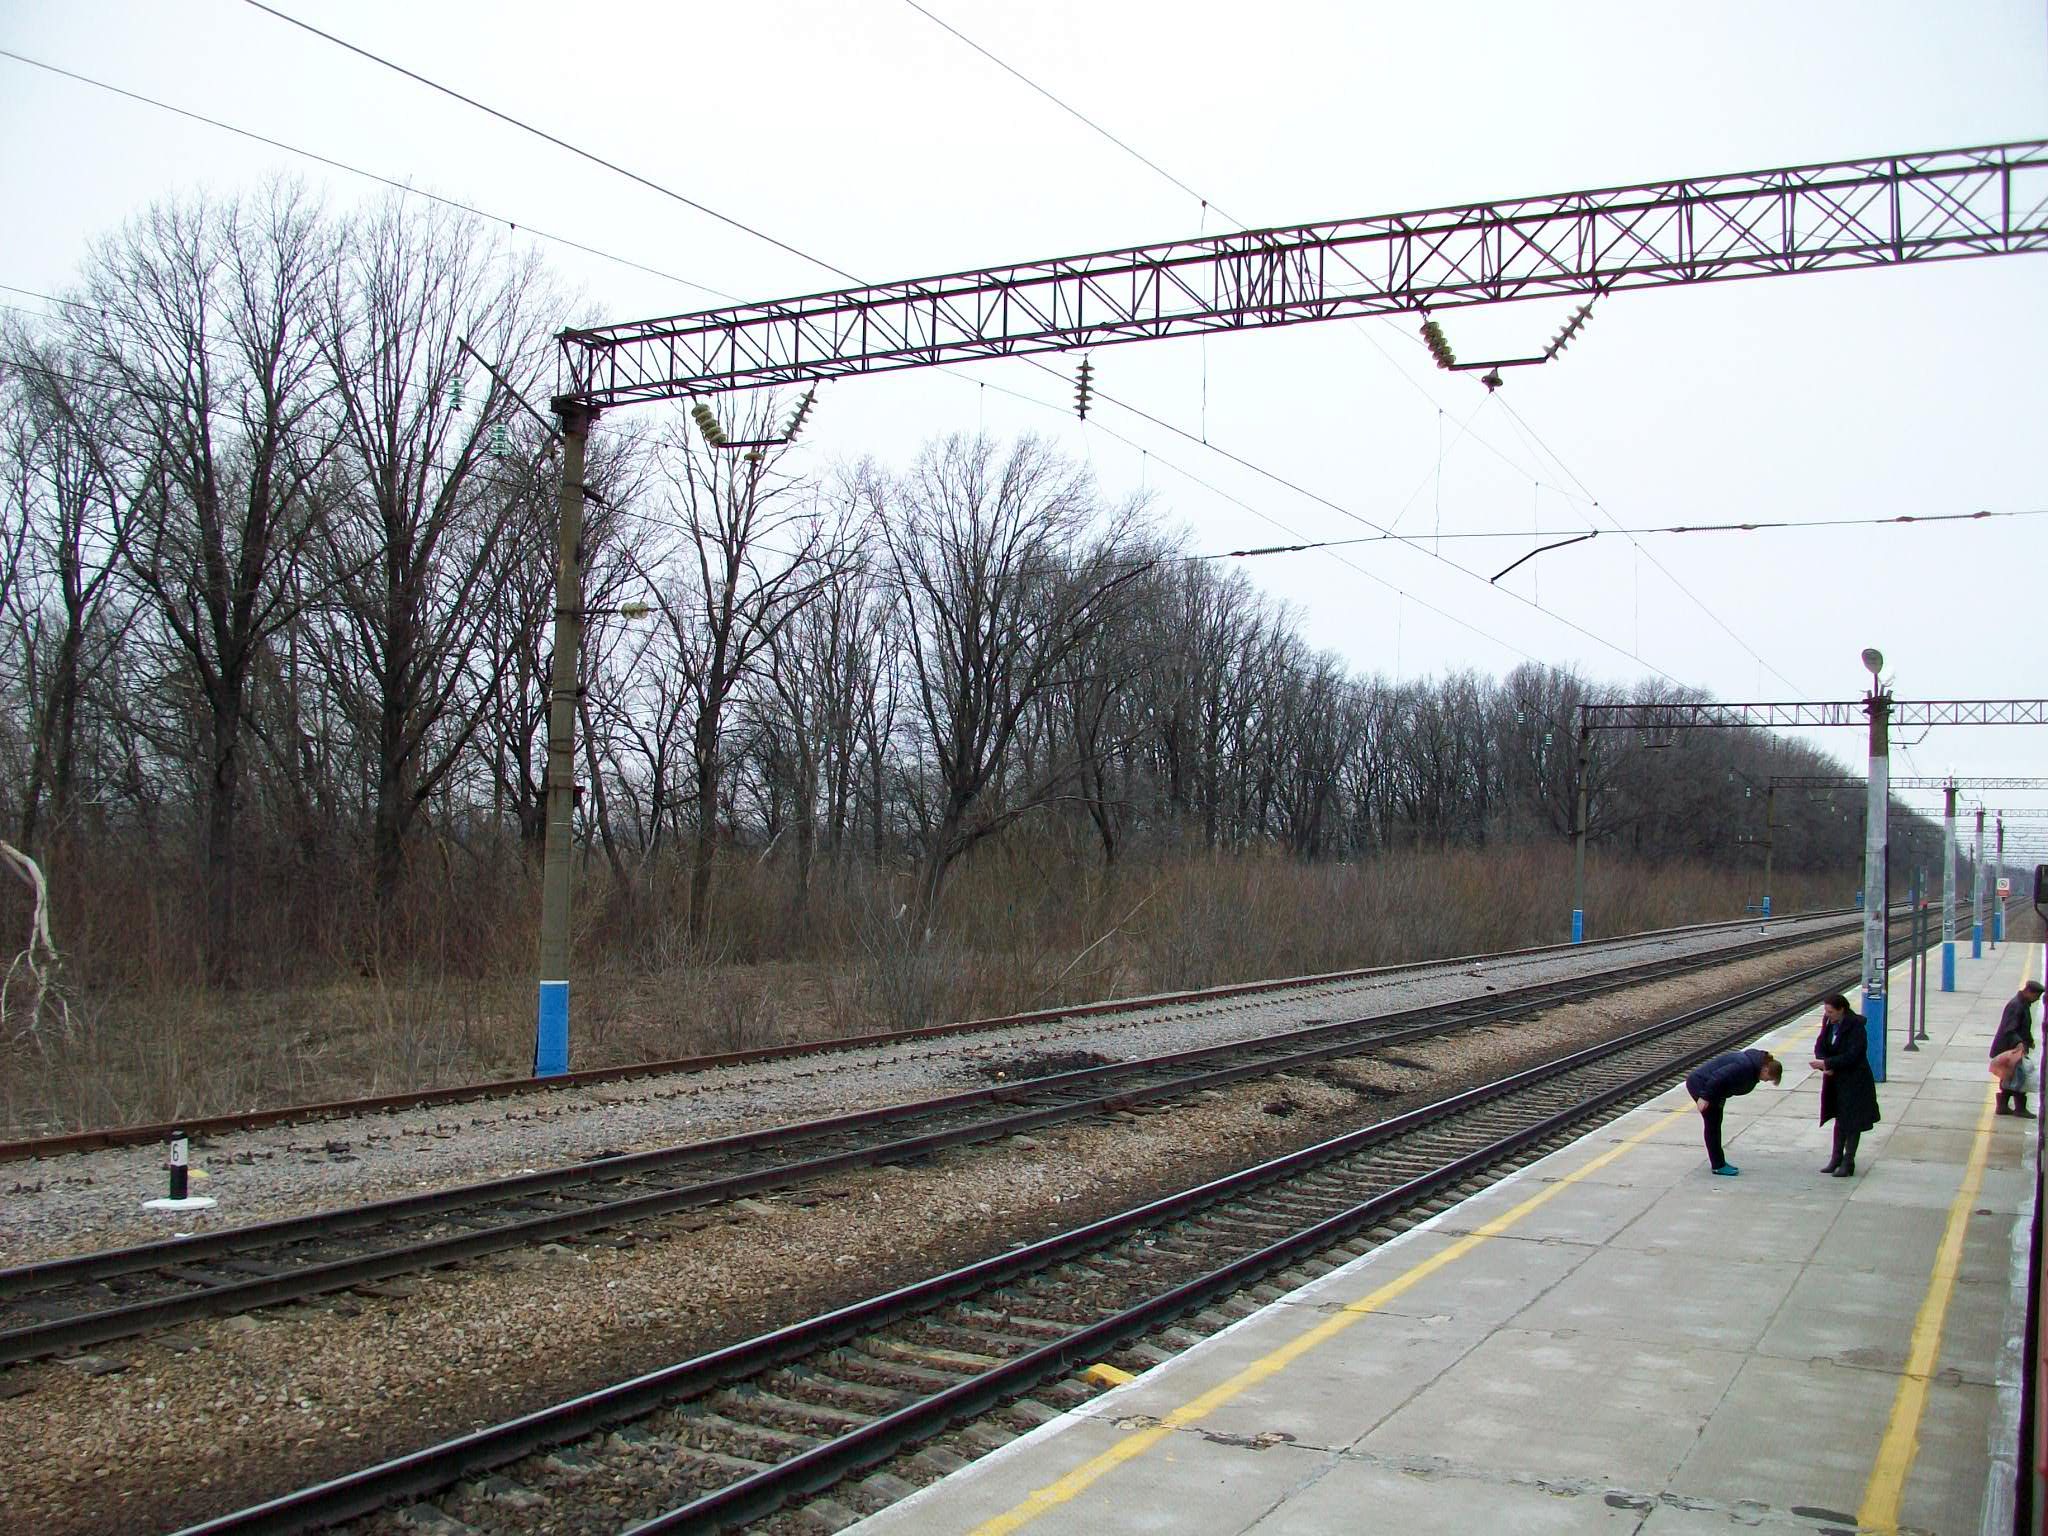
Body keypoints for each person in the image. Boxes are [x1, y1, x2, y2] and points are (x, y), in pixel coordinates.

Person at [1684, 1048, 1783, 1175]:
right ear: (1765, 1069)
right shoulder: (1744, 1066)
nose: (1765, 1081)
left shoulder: (1752, 1065)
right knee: (1712, 1125)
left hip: (1714, 1090)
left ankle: (1718, 1163)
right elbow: (1718, 1077)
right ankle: (1718, 1165)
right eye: (1768, 1078)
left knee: (1715, 1123)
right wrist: (1704, 1097)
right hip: (1702, 1085)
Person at [1814, 993, 1881, 1176]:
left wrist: (1828, 1064)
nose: (1828, 1015)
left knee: (1852, 1121)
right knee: (1839, 1118)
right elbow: (1820, 1045)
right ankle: (1835, 1158)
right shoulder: (1828, 1023)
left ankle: (1848, 1161)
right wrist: (1823, 1062)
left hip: (1855, 1081)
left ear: (1841, 1009)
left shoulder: (1856, 1027)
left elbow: (1853, 1055)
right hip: (1835, 1079)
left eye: (1831, 1011)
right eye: (1826, 1011)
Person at [1991, 980, 2044, 1117]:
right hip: (2010, 1048)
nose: (2037, 999)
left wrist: (2029, 1040)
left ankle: (2003, 1106)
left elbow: (2023, 1027)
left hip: (2013, 1047)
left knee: (2011, 1077)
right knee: (2020, 1077)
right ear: (2029, 992)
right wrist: (2019, 1043)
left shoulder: (2023, 1004)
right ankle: (2019, 1108)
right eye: (2036, 996)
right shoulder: (2017, 1006)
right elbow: (2010, 1029)